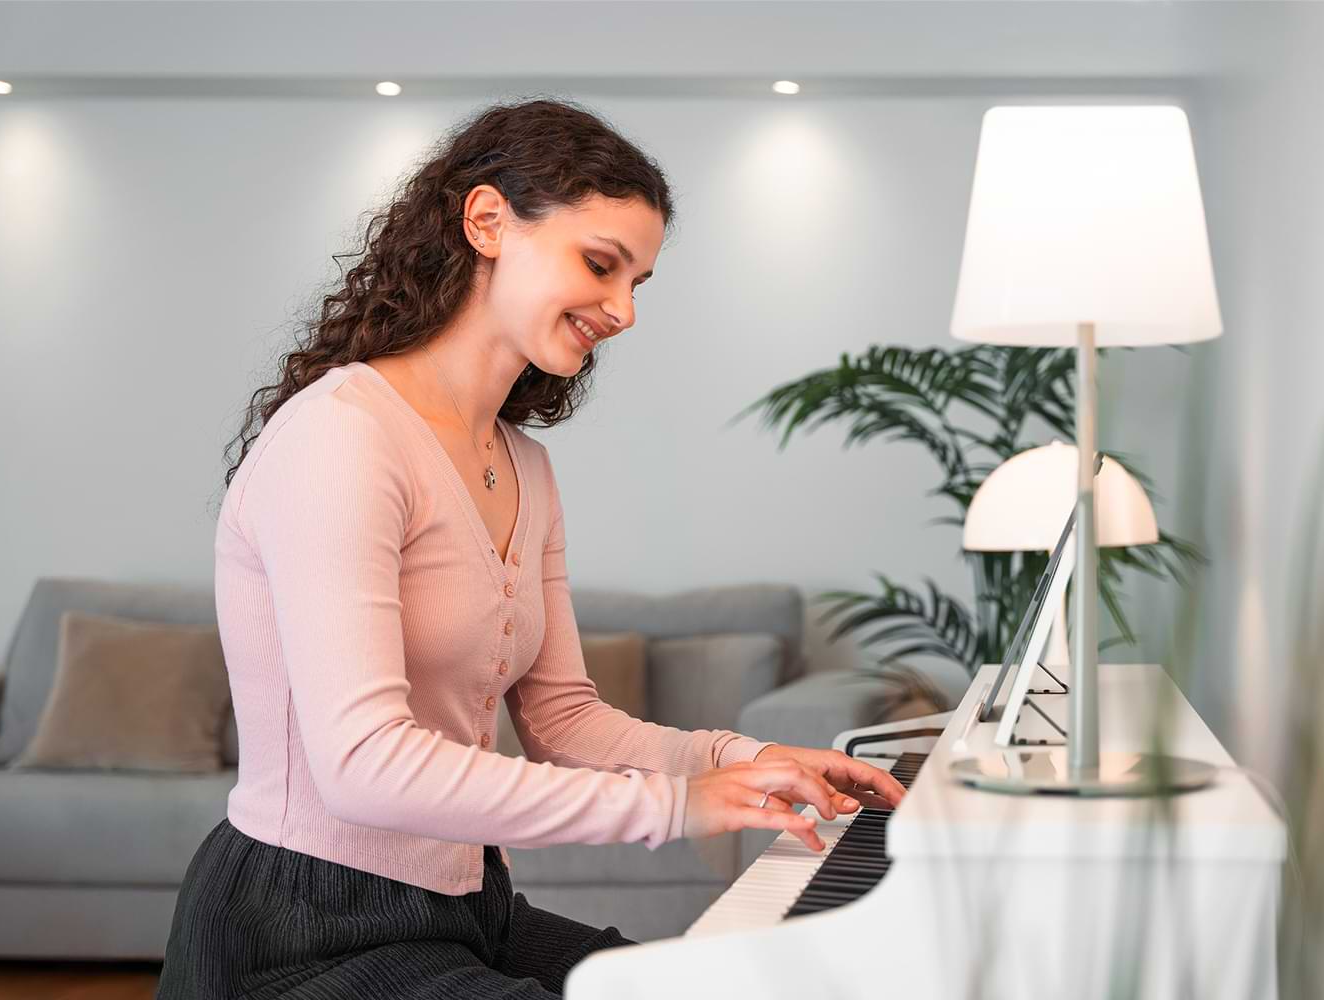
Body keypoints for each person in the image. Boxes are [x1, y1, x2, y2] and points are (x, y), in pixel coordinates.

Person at [157, 97, 906, 1000]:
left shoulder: (524, 466)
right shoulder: (339, 440)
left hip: (468, 905)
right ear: (487, 221)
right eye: (600, 265)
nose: (623, 310)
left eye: (638, 281)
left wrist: (737, 760)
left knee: (697, 982)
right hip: (298, 927)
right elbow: (361, 765)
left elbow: (565, 720)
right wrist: (674, 806)